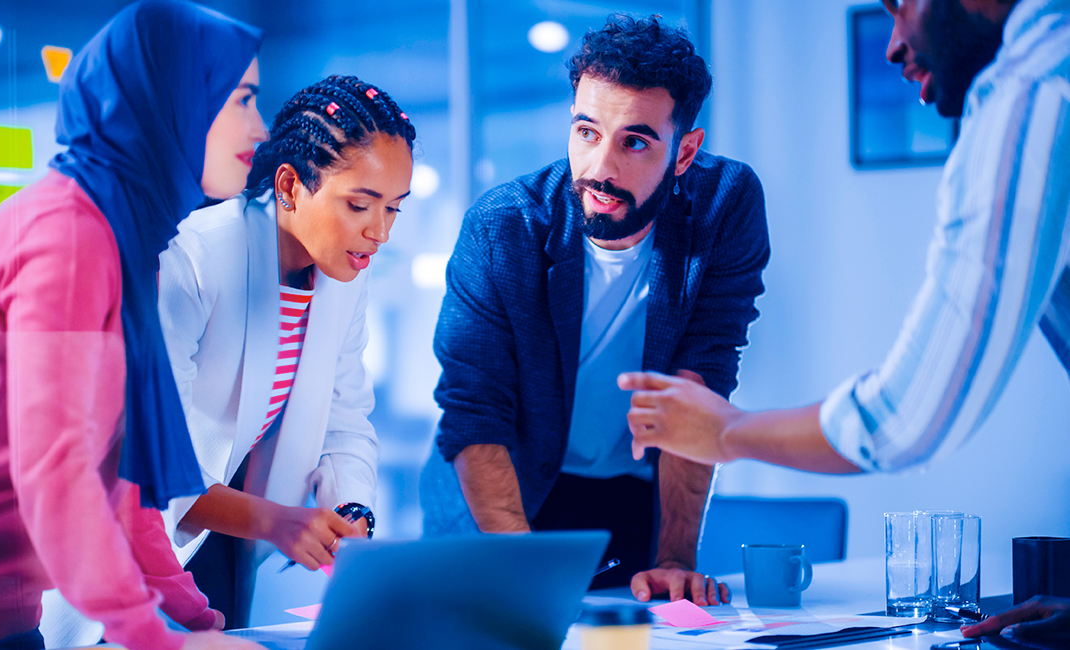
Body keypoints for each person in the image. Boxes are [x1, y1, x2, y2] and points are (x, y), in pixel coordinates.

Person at [620, 0, 1070, 642]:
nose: (892, 43)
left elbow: (903, 421)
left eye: (901, 4)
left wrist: (728, 432)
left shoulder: (1033, 94)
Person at [0, 2, 268, 648]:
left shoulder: (125, 237)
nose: (261, 125)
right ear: (172, 99)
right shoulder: (72, 235)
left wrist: (193, 614)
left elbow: (121, 472)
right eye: (242, 98)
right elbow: (58, 471)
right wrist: (156, 639)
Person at [419, 14, 769, 605]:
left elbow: (700, 383)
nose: (601, 167)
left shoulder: (725, 206)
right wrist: (522, 573)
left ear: (684, 152)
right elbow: (476, 413)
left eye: (634, 141)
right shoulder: (502, 228)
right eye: (587, 132)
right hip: (500, 495)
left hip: (629, 501)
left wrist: (676, 560)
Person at [156, 75, 415, 628]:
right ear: (291, 185)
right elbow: (157, 466)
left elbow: (345, 420)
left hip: (227, 545)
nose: (380, 233)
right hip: (139, 552)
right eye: (359, 205)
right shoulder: (192, 256)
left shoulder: (345, 274)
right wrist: (279, 522)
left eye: (393, 209)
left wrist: (351, 511)